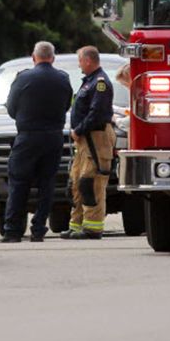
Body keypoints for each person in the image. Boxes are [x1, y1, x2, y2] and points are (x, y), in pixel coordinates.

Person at [1, 41, 73, 243]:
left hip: (28, 136)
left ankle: (13, 230)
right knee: (47, 183)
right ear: (53, 58)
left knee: (18, 182)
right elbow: (67, 104)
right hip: (53, 136)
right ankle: (39, 229)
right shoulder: (63, 79)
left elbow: (11, 108)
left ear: (34, 57)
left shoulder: (23, 78)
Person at [62, 46, 115, 240]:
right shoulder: (89, 82)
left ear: (88, 60)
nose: (79, 64)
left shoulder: (100, 83)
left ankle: (93, 228)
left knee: (91, 182)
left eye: (80, 60)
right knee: (76, 182)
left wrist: (79, 129)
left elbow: (97, 113)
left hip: (96, 138)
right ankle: (76, 225)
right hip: (85, 140)